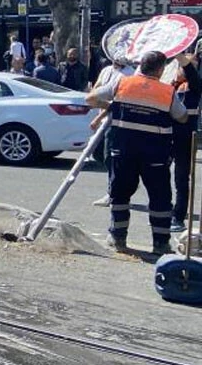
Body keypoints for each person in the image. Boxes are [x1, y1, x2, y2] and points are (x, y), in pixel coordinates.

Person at [86, 51, 188, 254]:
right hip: (155, 155)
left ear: (141, 65)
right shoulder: (167, 92)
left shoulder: (122, 83)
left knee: (120, 194)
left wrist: (112, 106)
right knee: (159, 198)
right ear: (160, 69)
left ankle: (118, 238)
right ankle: (160, 243)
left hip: (123, 150)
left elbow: (91, 98)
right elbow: (182, 116)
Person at [89, 57, 137, 208]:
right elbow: (95, 91)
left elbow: (117, 103)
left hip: (116, 121)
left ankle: (113, 193)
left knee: (110, 157)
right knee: (99, 154)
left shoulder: (129, 74)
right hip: (105, 119)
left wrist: (99, 116)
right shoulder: (106, 70)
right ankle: (117, 188)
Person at [170, 52, 202, 233]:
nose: (180, 69)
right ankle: (164, 210)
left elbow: (190, 70)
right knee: (159, 174)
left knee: (181, 178)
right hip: (167, 134)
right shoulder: (172, 87)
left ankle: (178, 216)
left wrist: (177, 51)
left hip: (185, 136)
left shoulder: (195, 84)